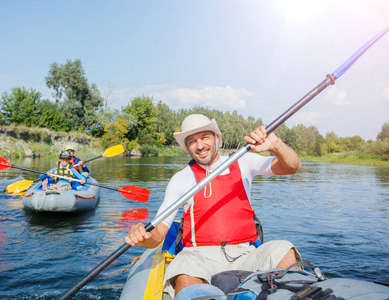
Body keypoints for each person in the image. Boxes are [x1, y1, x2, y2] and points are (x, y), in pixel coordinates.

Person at [125, 114, 303, 298]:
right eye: (192, 141)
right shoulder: (181, 179)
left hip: (245, 252)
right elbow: (158, 233)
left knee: (284, 248)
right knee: (184, 264)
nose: (200, 145)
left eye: (204, 137)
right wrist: (144, 237)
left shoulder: (243, 161)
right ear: (187, 148)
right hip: (199, 256)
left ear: (217, 138)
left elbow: (292, 167)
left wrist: (276, 146)